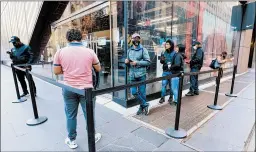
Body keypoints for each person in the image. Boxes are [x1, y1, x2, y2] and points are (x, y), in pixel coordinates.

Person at [53, 29, 102, 149]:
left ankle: (71, 140)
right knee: (89, 114)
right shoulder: (90, 52)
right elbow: (98, 68)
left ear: (67, 38)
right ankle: (93, 136)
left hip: (69, 88)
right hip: (86, 89)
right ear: (81, 38)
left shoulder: (60, 52)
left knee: (70, 115)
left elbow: (57, 71)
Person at [125, 33, 151, 115]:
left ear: (139, 40)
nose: (136, 40)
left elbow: (148, 62)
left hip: (141, 75)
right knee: (133, 92)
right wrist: (127, 63)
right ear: (131, 40)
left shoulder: (143, 50)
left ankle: (141, 107)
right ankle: (145, 104)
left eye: (137, 38)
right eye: (134, 38)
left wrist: (137, 62)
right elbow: (129, 63)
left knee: (142, 93)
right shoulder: (129, 50)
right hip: (132, 75)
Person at [159, 39, 176, 104]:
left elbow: (176, 62)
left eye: (168, 44)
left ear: (171, 45)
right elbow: (161, 61)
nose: (166, 45)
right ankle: (162, 98)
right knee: (163, 85)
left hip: (172, 72)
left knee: (171, 86)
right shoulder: (163, 52)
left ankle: (171, 97)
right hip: (165, 71)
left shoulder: (174, 53)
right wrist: (162, 60)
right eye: (166, 44)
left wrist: (172, 65)